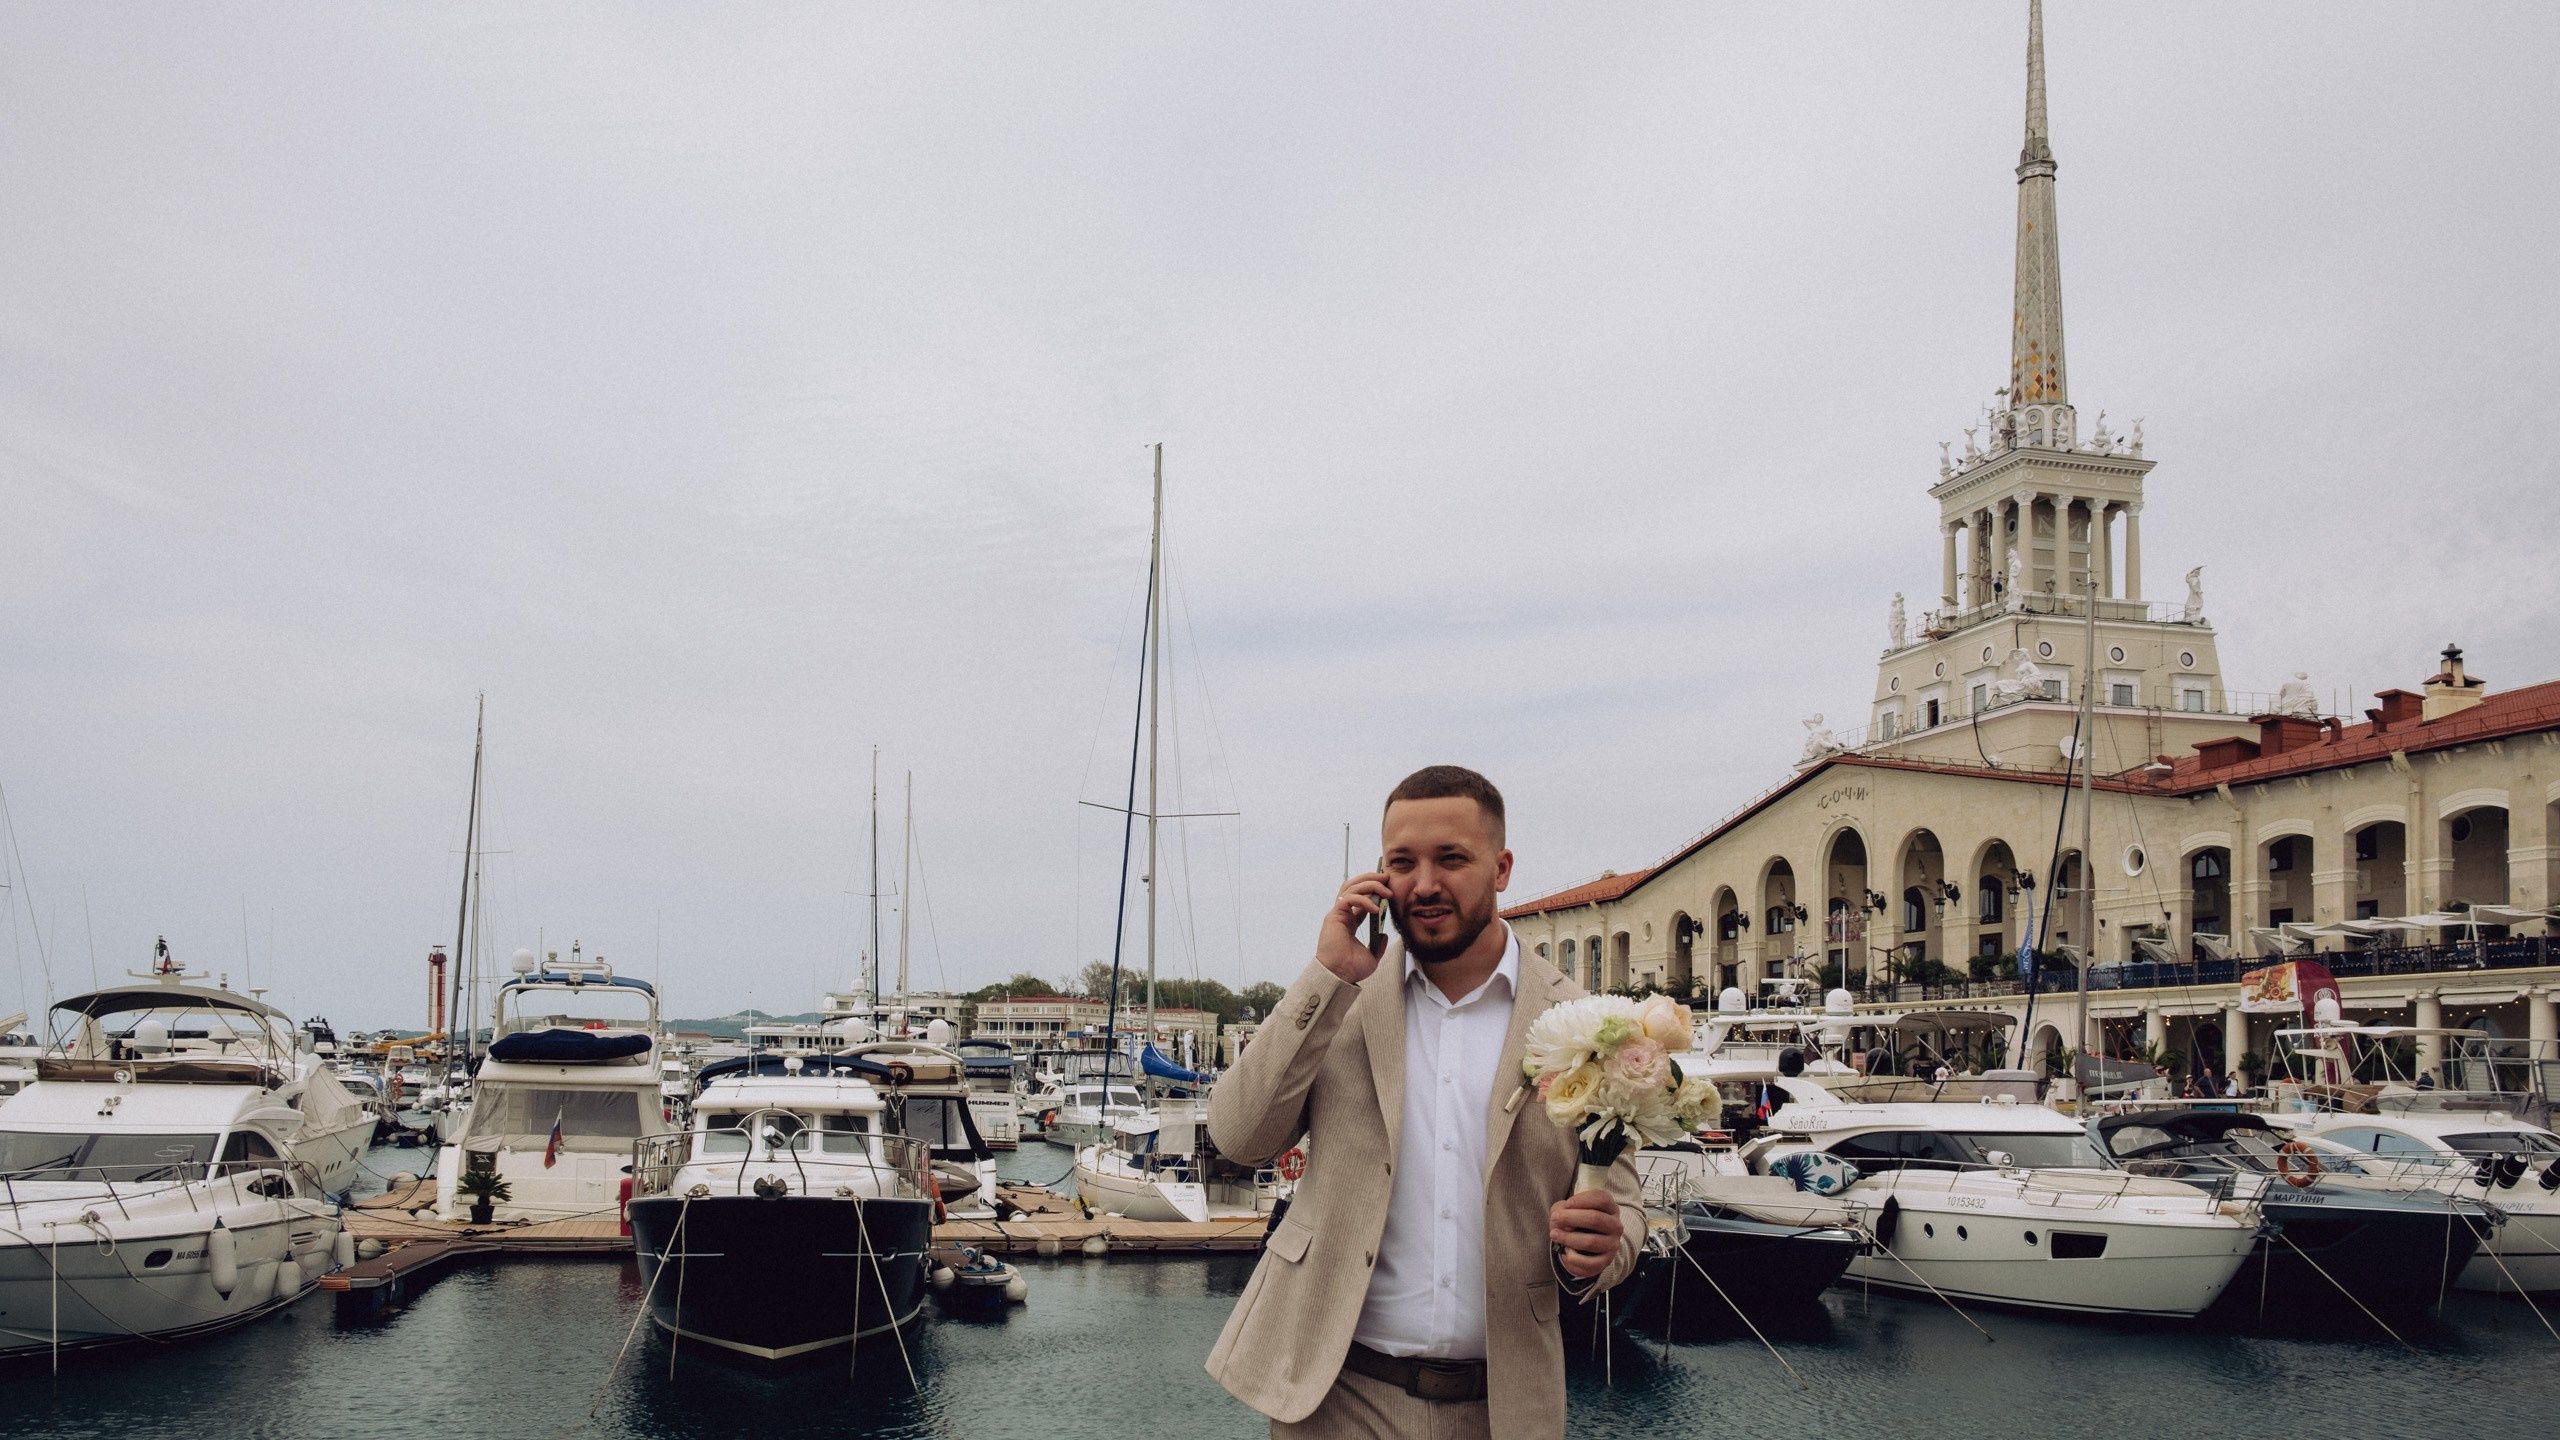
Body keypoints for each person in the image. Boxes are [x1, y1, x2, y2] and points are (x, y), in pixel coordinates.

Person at [1204, 766, 1642, 1440]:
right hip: (1334, 1398)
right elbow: (1238, 1136)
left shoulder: (1580, 1024)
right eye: (1402, 862)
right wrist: (1328, 976)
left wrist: (1605, 1248)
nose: (1425, 883)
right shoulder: (1339, 1002)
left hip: (1503, 1407)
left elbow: (1624, 1207)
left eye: (1452, 859)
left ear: (1501, 868)